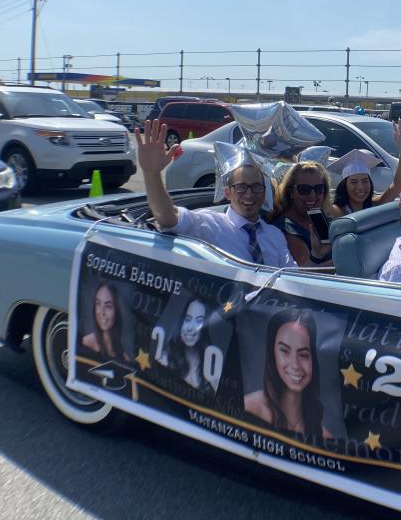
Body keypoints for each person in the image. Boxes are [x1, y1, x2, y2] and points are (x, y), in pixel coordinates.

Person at [135, 119, 293, 266]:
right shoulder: (209, 225)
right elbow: (167, 217)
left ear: (265, 192)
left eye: (256, 187)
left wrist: (316, 254)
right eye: (241, 187)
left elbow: (292, 278)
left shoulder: (274, 235)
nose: (249, 194)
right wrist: (152, 175)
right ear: (227, 193)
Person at [244, 307, 332, 439]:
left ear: (314, 359)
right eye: (284, 351)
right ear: (272, 353)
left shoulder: (324, 437)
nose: (295, 365)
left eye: (303, 355)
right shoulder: (248, 408)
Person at [329, 119, 401, 217]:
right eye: (354, 182)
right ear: (344, 185)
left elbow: (398, 184)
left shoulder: (375, 205)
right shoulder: (339, 211)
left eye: (365, 181)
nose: (360, 187)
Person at [276, 161, 335, 267]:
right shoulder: (285, 228)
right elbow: (306, 272)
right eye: (304, 190)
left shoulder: (321, 219)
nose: (312, 196)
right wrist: (346, 262)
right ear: (291, 192)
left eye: (318, 189)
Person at [160, 298, 216, 392]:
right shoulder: (166, 358)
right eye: (187, 319)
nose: (190, 328)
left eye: (199, 321)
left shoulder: (213, 369)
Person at [82, 281, 130, 361]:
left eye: (108, 306)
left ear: (117, 311)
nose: (102, 312)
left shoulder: (124, 357)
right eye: (98, 304)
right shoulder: (86, 343)